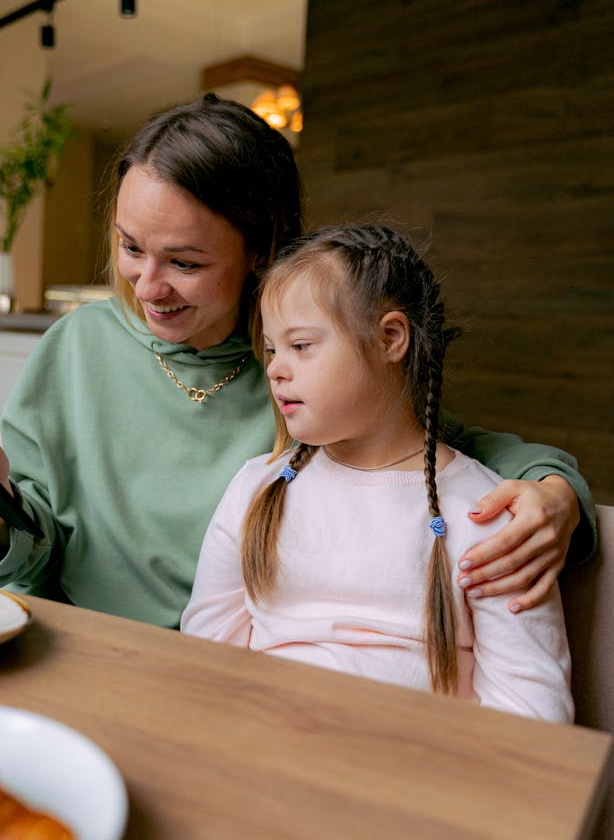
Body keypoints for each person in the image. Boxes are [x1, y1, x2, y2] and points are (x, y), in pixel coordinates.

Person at [0, 95, 594, 628]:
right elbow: (36, 559)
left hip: (237, 676)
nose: (147, 286)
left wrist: (558, 496)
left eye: (185, 262)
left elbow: (461, 450)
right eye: (130, 246)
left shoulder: (309, 368)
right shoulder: (77, 347)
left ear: (260, 250)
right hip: (88, 651)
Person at [181, 223, 574, 721]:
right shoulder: (256, 488)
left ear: (390, 338)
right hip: (262, 750)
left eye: (300, 346)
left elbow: (534, 715)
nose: (276, 368)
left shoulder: (486, 514)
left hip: (419, 774)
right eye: (273, 349)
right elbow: (203, 662)